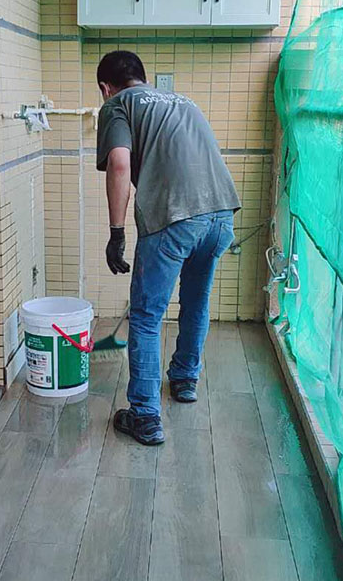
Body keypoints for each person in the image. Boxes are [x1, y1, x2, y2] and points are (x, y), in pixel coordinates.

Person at [96, 50, 241, 446]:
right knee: (196, 302)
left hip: (175, 217)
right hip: (221, 214)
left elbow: (119, 164)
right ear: (142, 77)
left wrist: (116, 233)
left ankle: (144, 416)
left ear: (105, 88)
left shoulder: (117, 105)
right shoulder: (182, 101)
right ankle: (184, 379)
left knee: (146, 316)